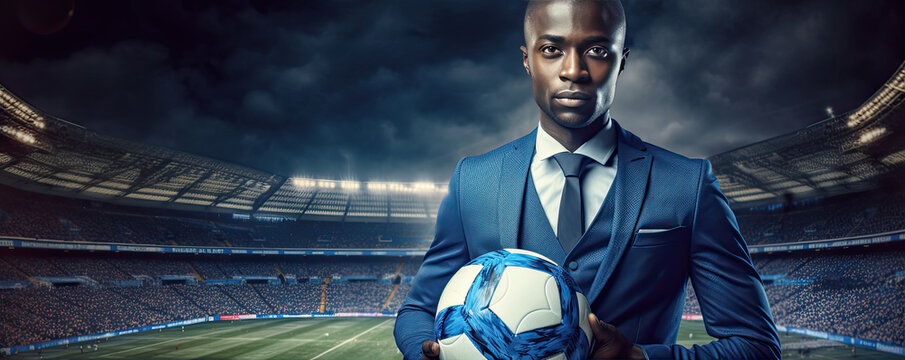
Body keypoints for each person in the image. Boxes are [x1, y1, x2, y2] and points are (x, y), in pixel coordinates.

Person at [393, 0, 780, 359]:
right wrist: (428, 352)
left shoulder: (688, 185)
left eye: (596, 50)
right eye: (551, 50)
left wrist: (642, 357)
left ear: (622, 60)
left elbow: (758, 344)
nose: (573, 71)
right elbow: (419, 310)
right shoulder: (472, 181)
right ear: (527, 60)